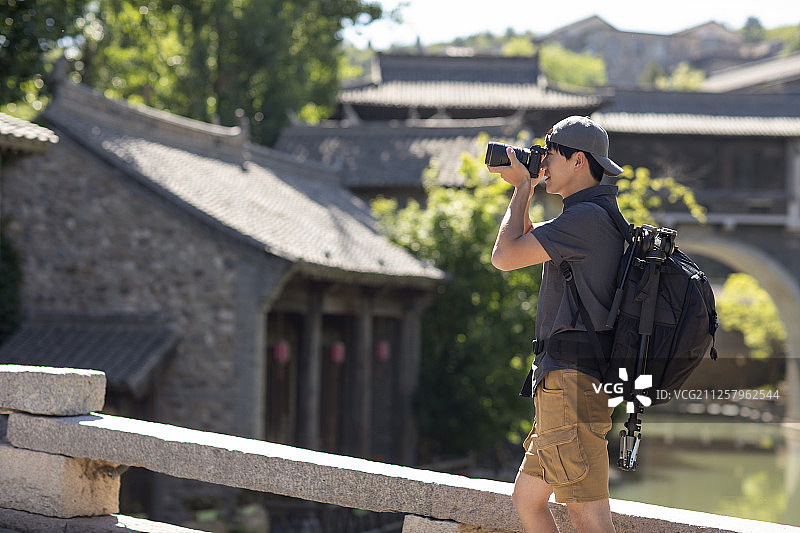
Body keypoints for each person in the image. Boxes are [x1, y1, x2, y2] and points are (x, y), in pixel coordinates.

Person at [488, 116, 626, 533]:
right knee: (527, 500)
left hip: (573, 385)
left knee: (588, 515)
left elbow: (504, 256)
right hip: (565, 383)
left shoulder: (585, 220)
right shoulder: (589, 216)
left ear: (579, 161)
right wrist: (525, 189)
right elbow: (524, 240)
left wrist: (522, 187)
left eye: (549, 154)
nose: (542, 162)